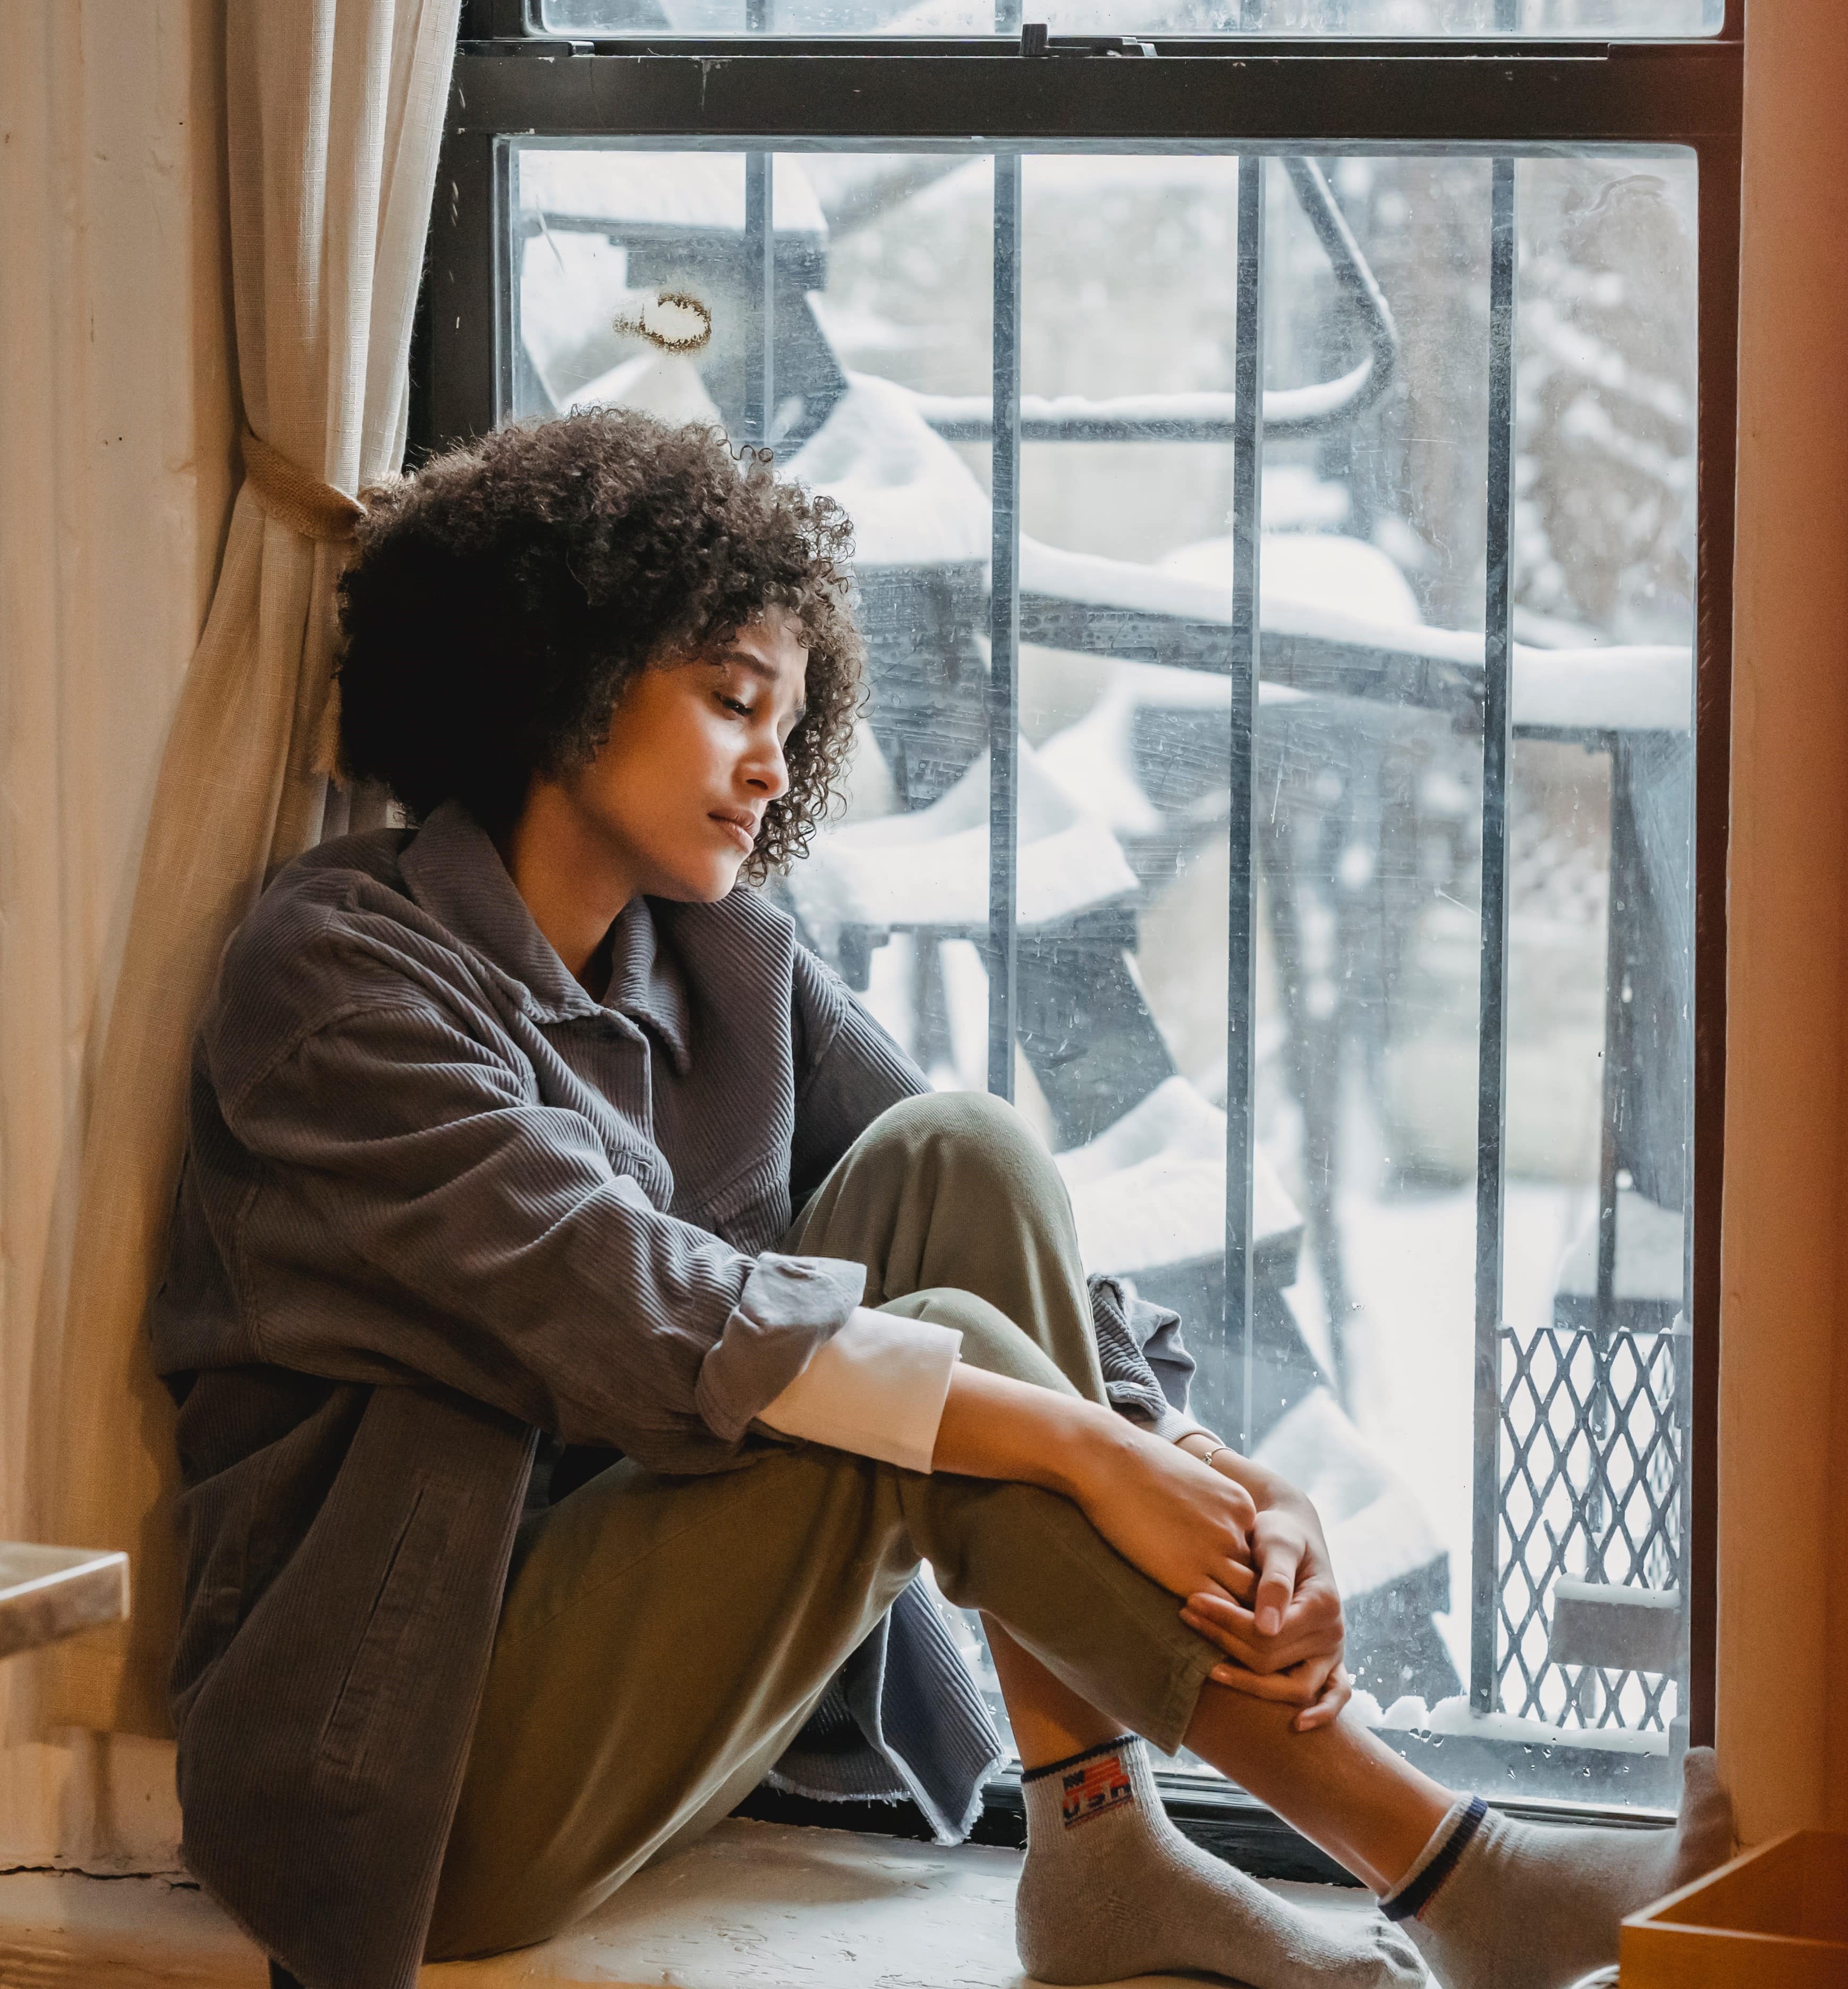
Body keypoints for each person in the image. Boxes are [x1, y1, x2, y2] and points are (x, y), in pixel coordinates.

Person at [151, 411, 1729, 1989]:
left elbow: (962, 1196)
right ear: (559, 677)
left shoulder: (729, 955)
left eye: (793, 715)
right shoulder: (336, 975)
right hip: (407, 1776)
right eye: (730, 701)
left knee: (963, 1151)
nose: (776, 763)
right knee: (916, 1373)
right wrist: (1089, 1453)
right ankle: (1458, 1870)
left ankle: (1107, 1846)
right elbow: (640, 1307)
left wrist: (1203, 1471)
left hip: (660, 1704)